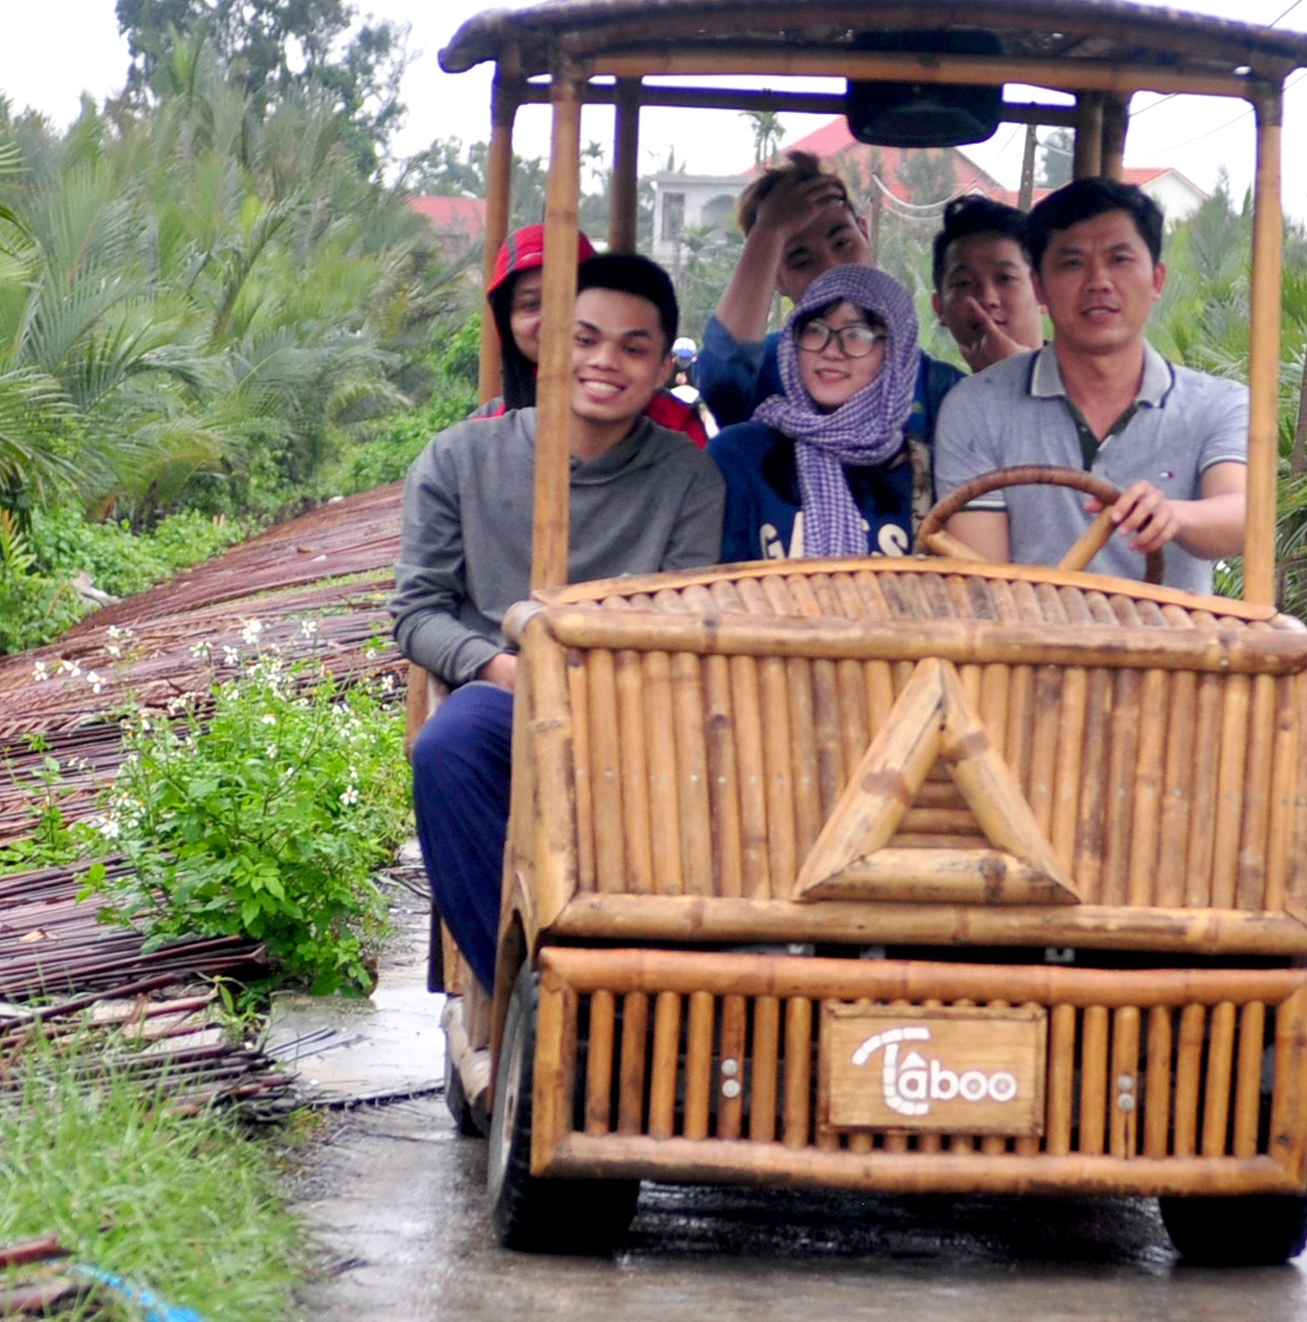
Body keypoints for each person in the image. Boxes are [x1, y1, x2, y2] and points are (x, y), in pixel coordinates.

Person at [395, 254, 724, 990]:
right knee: (447, 745)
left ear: (663, 362)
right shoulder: (458, 458)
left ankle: (683, 984)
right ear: (551, 344)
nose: (605, 362)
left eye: (633, 347)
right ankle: (526, 992)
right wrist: (501, 667)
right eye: (585, 339)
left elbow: (685, 612)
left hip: (640, 699)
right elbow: (418, 611)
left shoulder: (689, 477)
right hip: (503, 692)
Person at [933, 178, 1249, 597]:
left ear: (1157, 280)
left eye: (1119, 259)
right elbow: (985, 584)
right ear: (1040, 287)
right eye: (1072, 263)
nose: (1099, 281)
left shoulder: (1219, 405)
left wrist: (1172, 515)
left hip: (1176, 656)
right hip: (1025, 653)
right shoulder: (975, 408)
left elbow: (1242, 517)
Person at [693, 152, 959, 435]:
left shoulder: (937, 388)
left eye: (842, 242)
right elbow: (721, 380)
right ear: (776, 281)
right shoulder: (763, 372)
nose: (831, 266)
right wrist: (770, 229)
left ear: (865, 235)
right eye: (801, 259)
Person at [706, 265, 933, 561]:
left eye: (857, 333)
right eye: (815, 329)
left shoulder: (922, 469)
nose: (831, 350)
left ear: (896, 353)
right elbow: (715, 589)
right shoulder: (739, 454)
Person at [473, 223, 708, 445]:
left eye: (567, 299)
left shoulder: (676, 428)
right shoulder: (480, 438)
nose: (552, 320)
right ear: (506, 322)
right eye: (531, 304)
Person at [930, 194, 1044, 372]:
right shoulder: (938, 395)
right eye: (963, 283)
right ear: (939, 307)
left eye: (1005, 278)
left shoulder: (1089, 380)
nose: (987, 298)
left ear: (1043, 292)